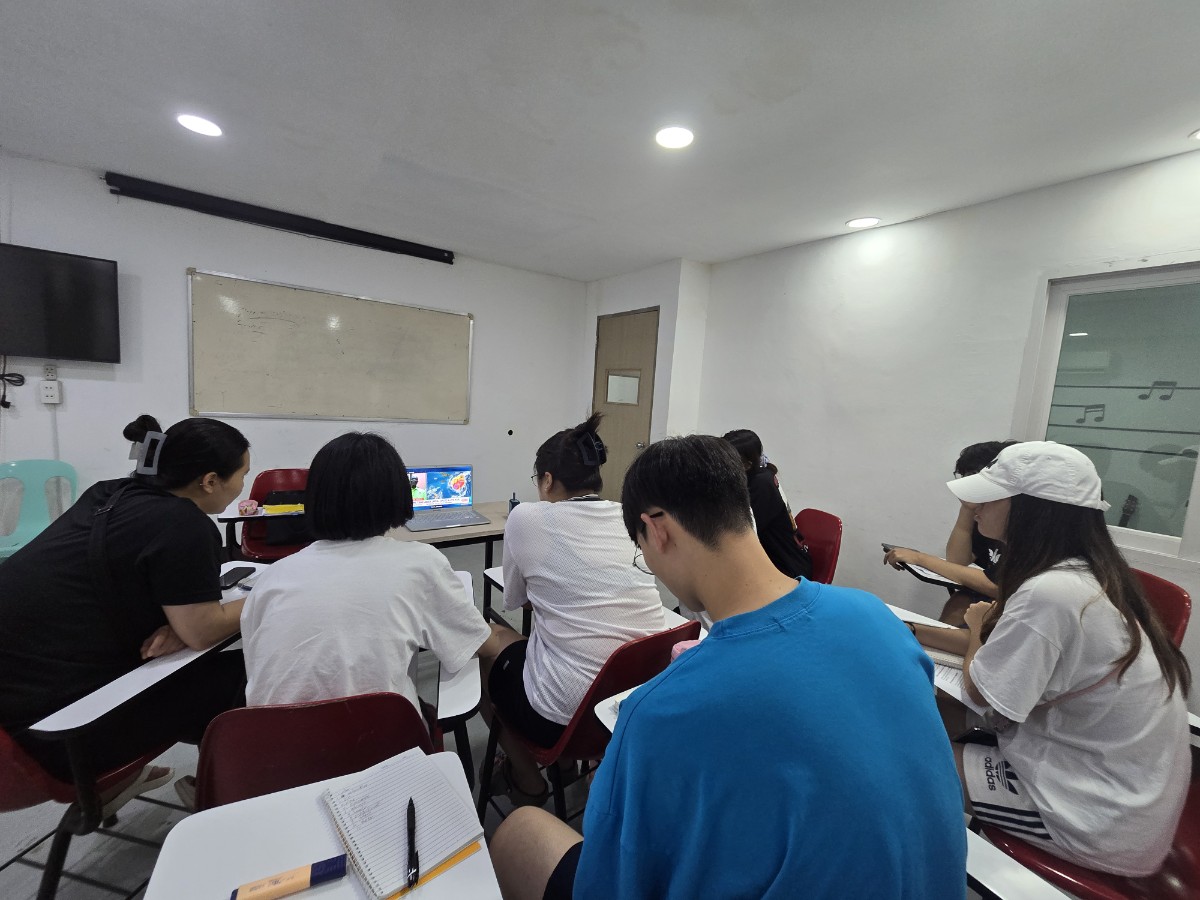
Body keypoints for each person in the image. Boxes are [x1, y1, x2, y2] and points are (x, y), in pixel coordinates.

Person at [490, 435, 966, 900]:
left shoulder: (662, 711)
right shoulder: (877, 616)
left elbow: (618, 882)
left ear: (657, 530)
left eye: (641, 552)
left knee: (520, 833)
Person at [915, 441, 1190, 877]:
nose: (976, 507)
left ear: (1032, 511)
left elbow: (982, 694)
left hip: (1090, 816)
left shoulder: (1051, 593)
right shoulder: (1085, 574)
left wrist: (976, 630)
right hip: (1106, 784)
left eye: (990, 497)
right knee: (928, 717)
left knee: (896, 759)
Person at [0, 414, 250, 789]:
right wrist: (264, 596)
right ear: (210, 480)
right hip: (57, 734)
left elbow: (103, 589)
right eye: (243, 475)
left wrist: (181, 626)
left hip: (18, 704)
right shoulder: (183, 523)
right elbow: (202, 631)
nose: (243, 486)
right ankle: (221, 793)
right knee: (243, 673)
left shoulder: (109, 494)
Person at [241, 432, 506, 719]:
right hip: (385, 738)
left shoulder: (271, 578)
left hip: (269, 742)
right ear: (397, 494)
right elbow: (480, 644)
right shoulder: (421, 563)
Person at [484, 413, 667, 805]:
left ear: (548, 480)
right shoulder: (625, 516)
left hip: (563, 719)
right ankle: (566, 768)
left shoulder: (525, 517)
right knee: (549, 642)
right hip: (630, 711)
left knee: (490, 642)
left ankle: (527, 779)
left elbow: (515, 600)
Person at [884, 440, 1016, 624]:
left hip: (1014, 604)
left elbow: (996, 586)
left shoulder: (1020, 527)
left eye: (972, 477)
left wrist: (920, 559)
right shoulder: (984, 517)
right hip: (991, 598)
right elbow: (958, 560)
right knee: (959, 603)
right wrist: (967, 509)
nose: (965, 485)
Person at [721, 428, 812, 579]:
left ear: (747, 465)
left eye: (726, 460)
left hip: (786, 568)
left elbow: (741, 532)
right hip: (768, 560)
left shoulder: (761, 484)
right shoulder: (758, 474)